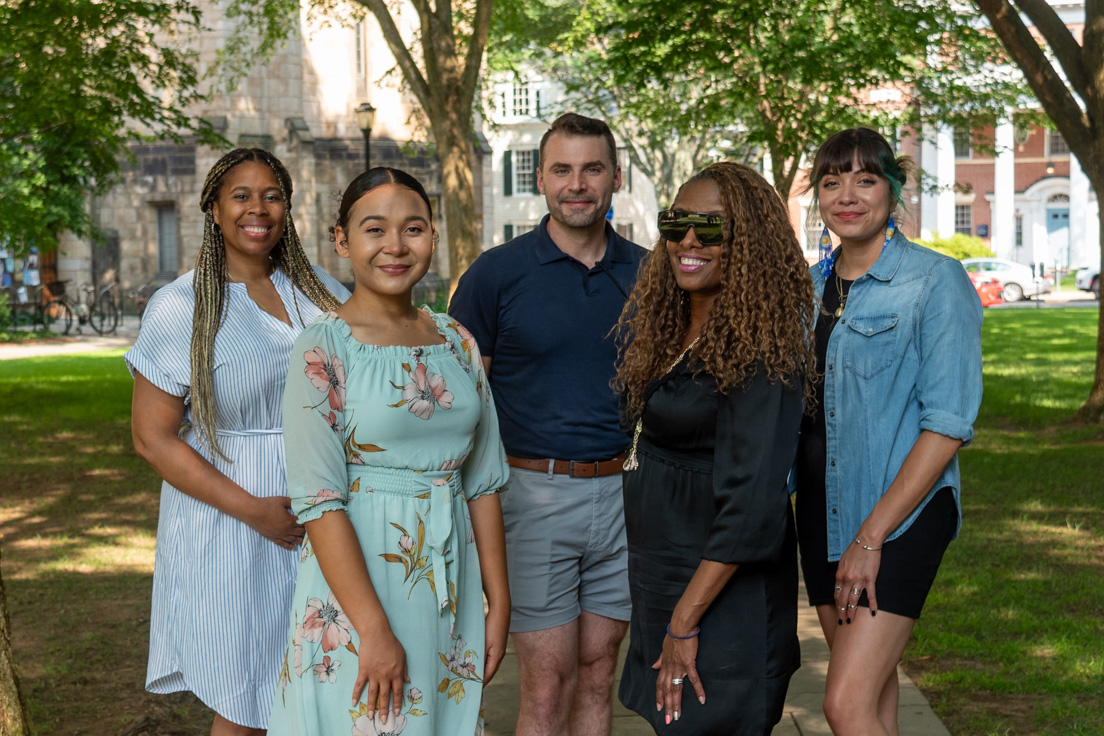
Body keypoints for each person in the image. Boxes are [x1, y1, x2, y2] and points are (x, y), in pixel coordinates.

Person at [268, 167, 509, 736]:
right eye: (375, 229)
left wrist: (498, 601)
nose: (396, 246)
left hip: (448, 583)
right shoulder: (322, 349)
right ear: (343, 240)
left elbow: (484, 480)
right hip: (362, 584)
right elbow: (320, 501)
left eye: (414, 228)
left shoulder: (457, 340)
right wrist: (373, 631)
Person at [127, 148, 349, 735]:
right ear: (215, 210)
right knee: (249, 699)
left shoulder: (320, 292)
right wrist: (253, 510)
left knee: (320, 687)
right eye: (241, 196)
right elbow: (152, 438)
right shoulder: (181, 307)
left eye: (272, 195)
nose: (259, 208)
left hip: (325, 514)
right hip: (232, 520)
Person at [449, 112, 646, 736]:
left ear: (615, 177)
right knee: (545, 685)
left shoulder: (649, 275)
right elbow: (461, 404)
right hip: (530, 495)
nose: (577, 184)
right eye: (562, 169)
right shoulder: (495, 275)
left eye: (592, 169)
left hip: (624, 494)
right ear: (541, 178)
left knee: (597, 672)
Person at [613, 162, 814, 735]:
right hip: (667, 580)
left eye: (712, 227)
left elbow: (752, 508)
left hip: (720, 603)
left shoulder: (762, 351)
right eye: (677, 223)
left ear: (749, 242)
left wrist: (684, 622)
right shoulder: (670, 327)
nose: (690, 240)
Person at [794, 128, 983, 736]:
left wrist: (872, 537)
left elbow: (948, 424)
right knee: (873, 701)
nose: (847, 195)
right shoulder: (809, 288)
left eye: (865, 179)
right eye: (832, 181)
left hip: (899, 515)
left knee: (844, 704)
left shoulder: (935, 281)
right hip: (822, 511)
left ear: (893, 191)